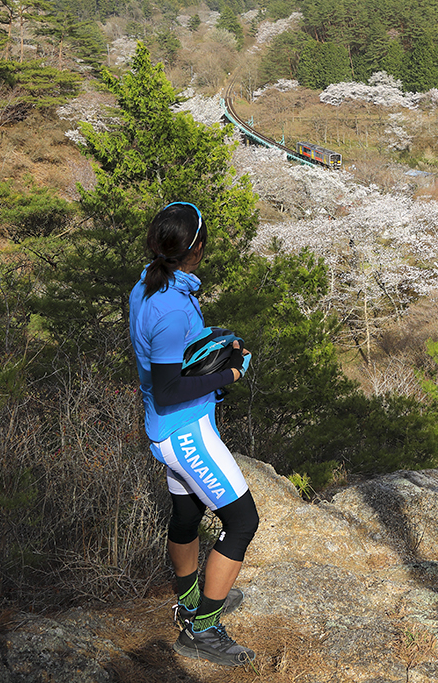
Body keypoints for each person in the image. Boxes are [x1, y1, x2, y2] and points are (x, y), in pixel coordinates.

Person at [129, 201, 260, 666]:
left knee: (186, 516)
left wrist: (213, 352)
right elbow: (167, 389)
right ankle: (202, 630)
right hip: (184, 430)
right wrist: (231, 376)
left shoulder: (151, 283)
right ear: (196, 248)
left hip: (168, 429)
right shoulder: (169, 307)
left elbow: (171, 366)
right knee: (242, 523)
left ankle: (188, 600)